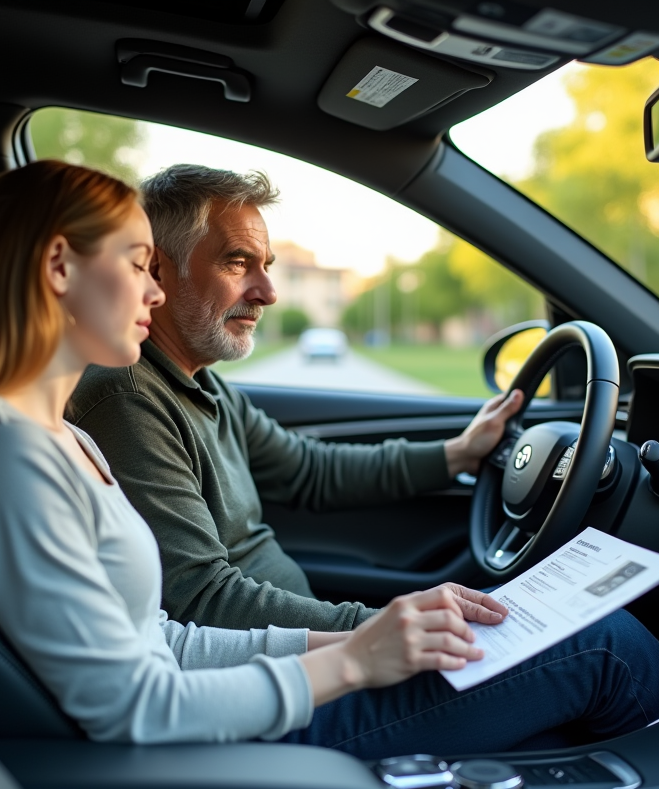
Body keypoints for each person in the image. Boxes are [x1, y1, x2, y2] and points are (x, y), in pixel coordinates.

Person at [0, 160, 659, 756]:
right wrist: (354, 659)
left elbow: (163, 634)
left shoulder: (62, 437)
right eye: (139, 265)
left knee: (558, 638)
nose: (156, 291)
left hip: (239, 698)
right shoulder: (16, 455)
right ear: (60, 266)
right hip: (221, 744)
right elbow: (133, 701)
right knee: (601, 645)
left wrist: (363, 639)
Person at [69, 164, 524, 632]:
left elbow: (310, 471)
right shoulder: (127, 399)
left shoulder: (204, 383)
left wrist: (457, 454)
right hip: (287, 677)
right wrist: (380, 629)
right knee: (594, 650)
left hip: (321, 649)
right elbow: (200, 600)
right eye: (238, 262)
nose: (268, 293)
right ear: (158, 268)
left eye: (266, 266)